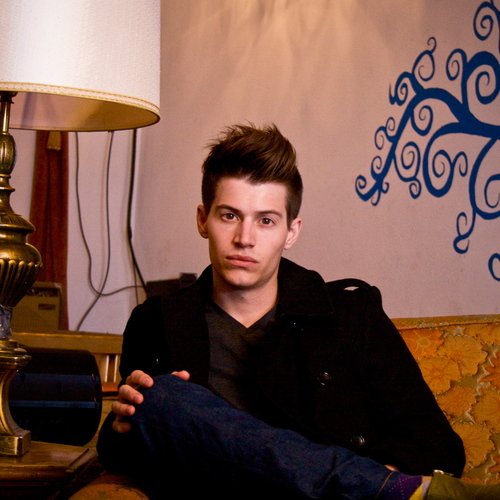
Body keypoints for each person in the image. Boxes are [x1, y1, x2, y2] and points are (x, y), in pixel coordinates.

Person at [97, 124, 498, 498]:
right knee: (161, 397)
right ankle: (378, 488)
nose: (245, 238)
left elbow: (440, 449)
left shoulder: (349, 316)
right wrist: (123, 426)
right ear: (203, 220)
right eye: (230, 216)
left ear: (291, 231)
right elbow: (132, 454)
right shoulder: (157, 322)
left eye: (266, 221)